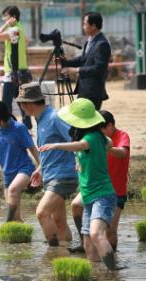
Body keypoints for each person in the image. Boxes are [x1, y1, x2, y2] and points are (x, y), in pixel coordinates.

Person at [40, 98, 117, 270]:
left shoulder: (91, 137)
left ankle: (113, 276)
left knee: (97, 234)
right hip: (89, 196)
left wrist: (56, 145)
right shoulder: (98, 137)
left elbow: (80, 145)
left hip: (102, 196)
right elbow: (110, 143)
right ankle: (98, 280)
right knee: (88, 246)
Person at [17, 82, 77, 246]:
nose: (21, 107)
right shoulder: (40, 119)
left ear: (28, 104)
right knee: (59, 221)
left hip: (63, 176)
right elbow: (49, 150)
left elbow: (76, 140)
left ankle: (53, 251)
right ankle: (65, 251)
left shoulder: (54, 117)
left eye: (21, 104)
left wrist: (80, 161)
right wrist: (40, 169)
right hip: (51, 175)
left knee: (42, 213)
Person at [70, 110, 130, 253]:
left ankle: (112, 257)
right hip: (96, 186)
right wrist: (78, 161)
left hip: (115, 190)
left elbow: (123, 153)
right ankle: (84, 240)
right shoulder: (95, 137)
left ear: (109, 126)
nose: (98, 132)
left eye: (101, 129)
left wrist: (105, 148)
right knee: (75, 205)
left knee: (110, 232)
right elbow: (79, 150)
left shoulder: (122, 136)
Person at [0, 100, 40, 222]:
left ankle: (6, 224)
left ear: (4, 116)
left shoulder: (19, 128)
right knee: (16, 217)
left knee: (13, 190)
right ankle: (21, 235)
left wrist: (42, 166)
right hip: (7, 173)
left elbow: (32, 149)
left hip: (24, 169)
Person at [62, 12, 111, 110]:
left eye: (85, 24)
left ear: (93, 26)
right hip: (84, 90)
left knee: (89, 123)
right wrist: (65, 61)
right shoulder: (90, 41)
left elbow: (99, 68)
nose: (83, 27)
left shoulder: (101, 44)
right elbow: (83, 59)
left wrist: (76, 70)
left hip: (93, 92)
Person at [0, 5, 32, 130]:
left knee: (6, 102)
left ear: (13, 17)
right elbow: (27, 40)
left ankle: (7, 125)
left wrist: (6, 25)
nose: (4, 19)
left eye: (6, 16)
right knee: (21, 100)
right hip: (23, 71)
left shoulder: (13, 30)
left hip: (13, 72)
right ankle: (27, 125)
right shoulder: (20, 29)